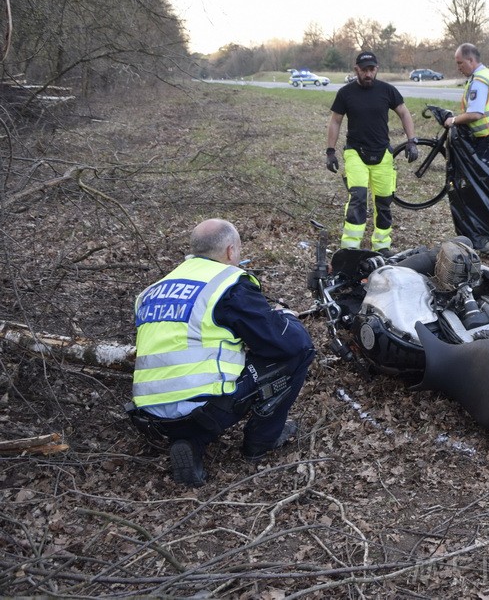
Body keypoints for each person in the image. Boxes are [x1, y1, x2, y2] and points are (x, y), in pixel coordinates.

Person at [128, 219, 315, 486]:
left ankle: (189, 443)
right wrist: (288, 319)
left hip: (150, 416)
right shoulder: (227, 284)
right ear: (230, 251)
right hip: (207, 409)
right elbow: (284, 343)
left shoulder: (152, 290)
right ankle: (262, 442)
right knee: (300, 349)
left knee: (195, 388)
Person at [326, 51, 417, 255]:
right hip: (355, 152)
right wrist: (330, 151)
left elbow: (403, 112)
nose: (368, 74)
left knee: (384, 202)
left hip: (383, 154)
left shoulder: (387, 91)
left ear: (376, 69)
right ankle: (350, 248)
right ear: (356, 69)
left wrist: (412, 140)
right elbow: (335, 121)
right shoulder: (345, 93)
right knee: (358, 197)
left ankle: (382, 246)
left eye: (372, 70)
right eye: (364, 70)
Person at [444, 43, 489, 178]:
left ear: (470, 60)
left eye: (460, 63)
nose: (458, 68)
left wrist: (454, 120)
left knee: (482, 181)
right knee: (488, 180)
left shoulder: (479, 80)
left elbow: (475, 114)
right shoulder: (487, 74)